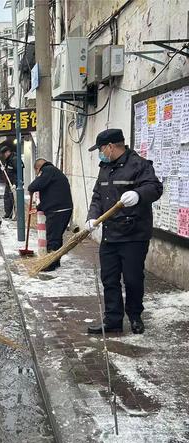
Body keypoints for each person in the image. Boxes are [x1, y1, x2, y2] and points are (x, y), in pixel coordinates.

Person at [85, 129, 163, 335]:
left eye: (101, 149)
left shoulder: (139, 165)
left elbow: (155, 188)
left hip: (134, 235)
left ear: (110, 147)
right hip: (110, 235)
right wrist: (92, 217)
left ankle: (135, 317)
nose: (100, 154)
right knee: (109, 279)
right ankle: (113, 320)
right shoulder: (105, 168)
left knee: (133, 279)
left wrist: (138, 194)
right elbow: (97, 197)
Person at [28, 158, 73, 271]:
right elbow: (50, 194)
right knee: (56, 237)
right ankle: (55, 261)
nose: (38, 175)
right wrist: (38, 208)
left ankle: (50, 264)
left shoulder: (47, 170)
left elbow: (36, 185)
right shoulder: (54, 172)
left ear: (38, 168)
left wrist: (30, 188)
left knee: (52, 238)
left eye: (37, 172)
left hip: (57, 211)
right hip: (62, 209)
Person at [0, 146, 17, 218]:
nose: (4, 156)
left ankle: (14, 214)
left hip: (13, 184)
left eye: (4, 154)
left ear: (8, 152)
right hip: (8, 183)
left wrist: (15, 184)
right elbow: (8, 172)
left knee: (13, 199)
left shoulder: (14, 159)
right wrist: (3, 169)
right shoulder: (8, 160)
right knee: (7, 198)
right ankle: (8, 213)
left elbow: (18, 172)